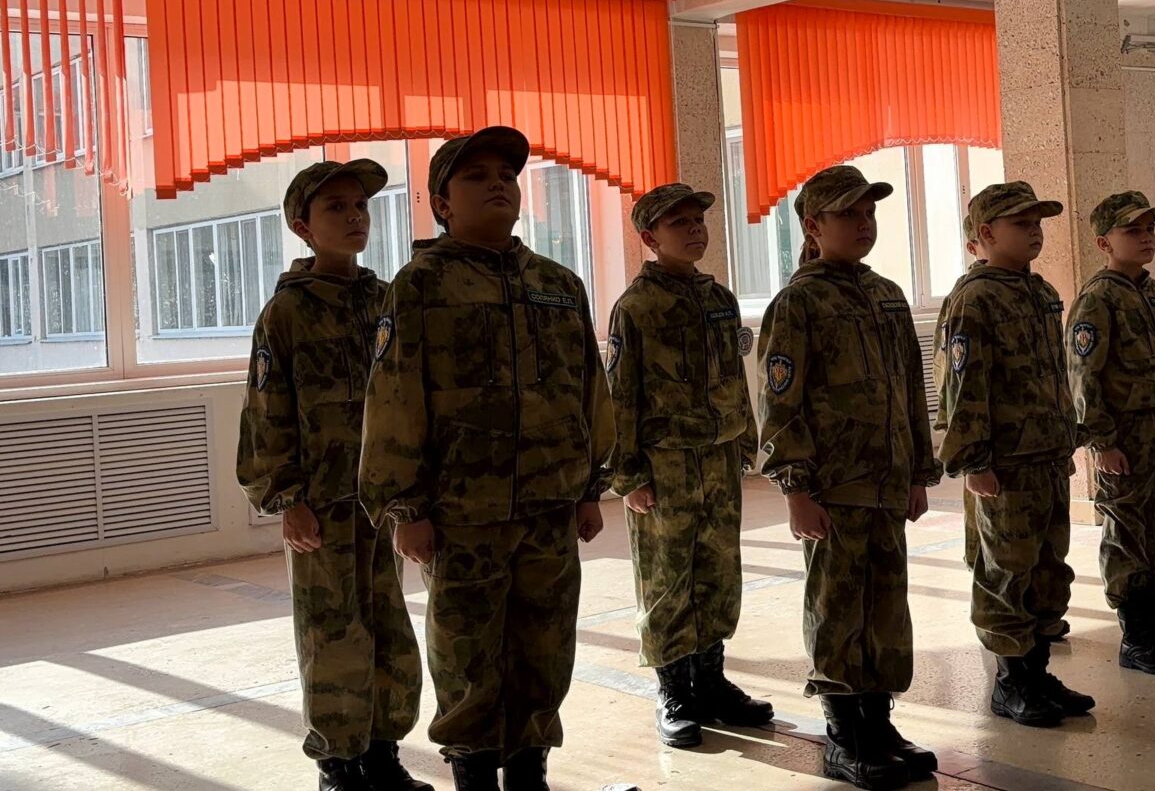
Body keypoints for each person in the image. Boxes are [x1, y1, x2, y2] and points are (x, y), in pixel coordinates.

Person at [359, 127, 614, 791]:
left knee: (545, 648)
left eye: (506, 174)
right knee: (466, 653)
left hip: (550, 505)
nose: (498, 183)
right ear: (442, 204)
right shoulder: (420, 285)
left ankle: (529, 772)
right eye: (476, 176)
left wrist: (591, 487)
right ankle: (473, 774)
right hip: (461, 512)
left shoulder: (558, 284)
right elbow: (394, 399)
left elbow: (589, 390)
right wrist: (406, 507)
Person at [238, 158, 428, 791]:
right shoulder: (287, 313)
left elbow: (410, 398)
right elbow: (266, 412)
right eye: (336, 208)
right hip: (321, 503)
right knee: (331, 633)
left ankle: (382, 753)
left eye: (360, 206)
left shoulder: (386, 300)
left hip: (383, 501)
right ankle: (338, 765)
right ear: (303, 227)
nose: (354, 217)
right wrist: (286, 498)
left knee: (389, 627)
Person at [757, 165, 942, 791]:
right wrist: (795, 488)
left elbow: (910, 388)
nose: (863, 224)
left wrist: (918, 471)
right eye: (848, 214)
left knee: (885, 607)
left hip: (886, 482)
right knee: (838, 608)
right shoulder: (798, 302)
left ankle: (878, 723)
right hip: (834, 487)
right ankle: (844, 735)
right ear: (813, 226)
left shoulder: (886, 294)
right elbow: (781, 403)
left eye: (869, 212)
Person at [606, 182, 773, 749]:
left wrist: (746, 442)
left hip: (718, 458)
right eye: (679, 223)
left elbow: (734, 377)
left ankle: (712, 681)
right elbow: (620, 395)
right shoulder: (635, 308)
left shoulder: (718, 298)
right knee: (667, 578)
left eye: (698, 220)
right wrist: (628, 476)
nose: (695, 229)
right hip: (665, 465)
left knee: (719, 572)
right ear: (650, 237)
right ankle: (674, 691)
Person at [936, 181, 1093, 729]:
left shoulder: (1039, 291)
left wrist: (1065, 437)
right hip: (1004, 464)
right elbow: (961, 387)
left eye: (1037, 222)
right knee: (1006, 569)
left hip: (1045, 454)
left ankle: (1037, 672)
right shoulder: (974, 299)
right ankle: (1011, 682)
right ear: (985, 233)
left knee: (1047, 568)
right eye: (1021, 223)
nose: (1035, 231)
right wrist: (973, 460)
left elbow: (1056, 375)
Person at [1066, 191, 1155, 679]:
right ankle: (1136, 634)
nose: (1146, 237)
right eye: (1133, 230)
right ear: (1103, 242)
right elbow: (1083, 376)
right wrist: (1102, 441)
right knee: (1127, 528)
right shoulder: (1097, 299)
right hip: (1124, 441)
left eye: (1150, 229)